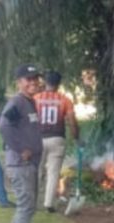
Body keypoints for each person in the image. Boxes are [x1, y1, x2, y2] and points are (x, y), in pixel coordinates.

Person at [0, 64, 46, 223]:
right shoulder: (17, 103)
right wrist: (21, 149)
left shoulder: (29, 102)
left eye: (35, 78)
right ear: (19, 82)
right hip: (20, 164)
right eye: (28, 79)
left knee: (24, 208)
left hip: (26, 164)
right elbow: (3, 126)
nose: (33, 82)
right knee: (26, 208)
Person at [34, 71, 79, 213]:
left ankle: (32, 201)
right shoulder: (65, 100)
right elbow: (72, 122)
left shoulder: (36, 98)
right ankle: (49, 203)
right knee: (53, 172)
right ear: (59, 84)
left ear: (45, 83)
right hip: (57, 139)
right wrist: (76, 137)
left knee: (36, 170)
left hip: (38, 138)